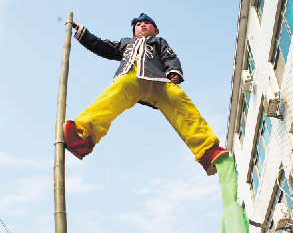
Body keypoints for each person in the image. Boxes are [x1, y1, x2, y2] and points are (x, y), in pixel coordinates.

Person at [63, 13, 228, 175]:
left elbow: (170, 57)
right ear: (134, 33)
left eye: (147, 23)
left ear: (156, 30)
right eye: (138, 24)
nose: (142, 25)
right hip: (130, 78)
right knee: (110, 98)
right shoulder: (125, 43)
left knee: (179, 101)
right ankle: (83, 137)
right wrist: (83, 33)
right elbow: (103, 46)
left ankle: (207, 151)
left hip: (158, 80)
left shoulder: (159, 42)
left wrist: (173, 71)